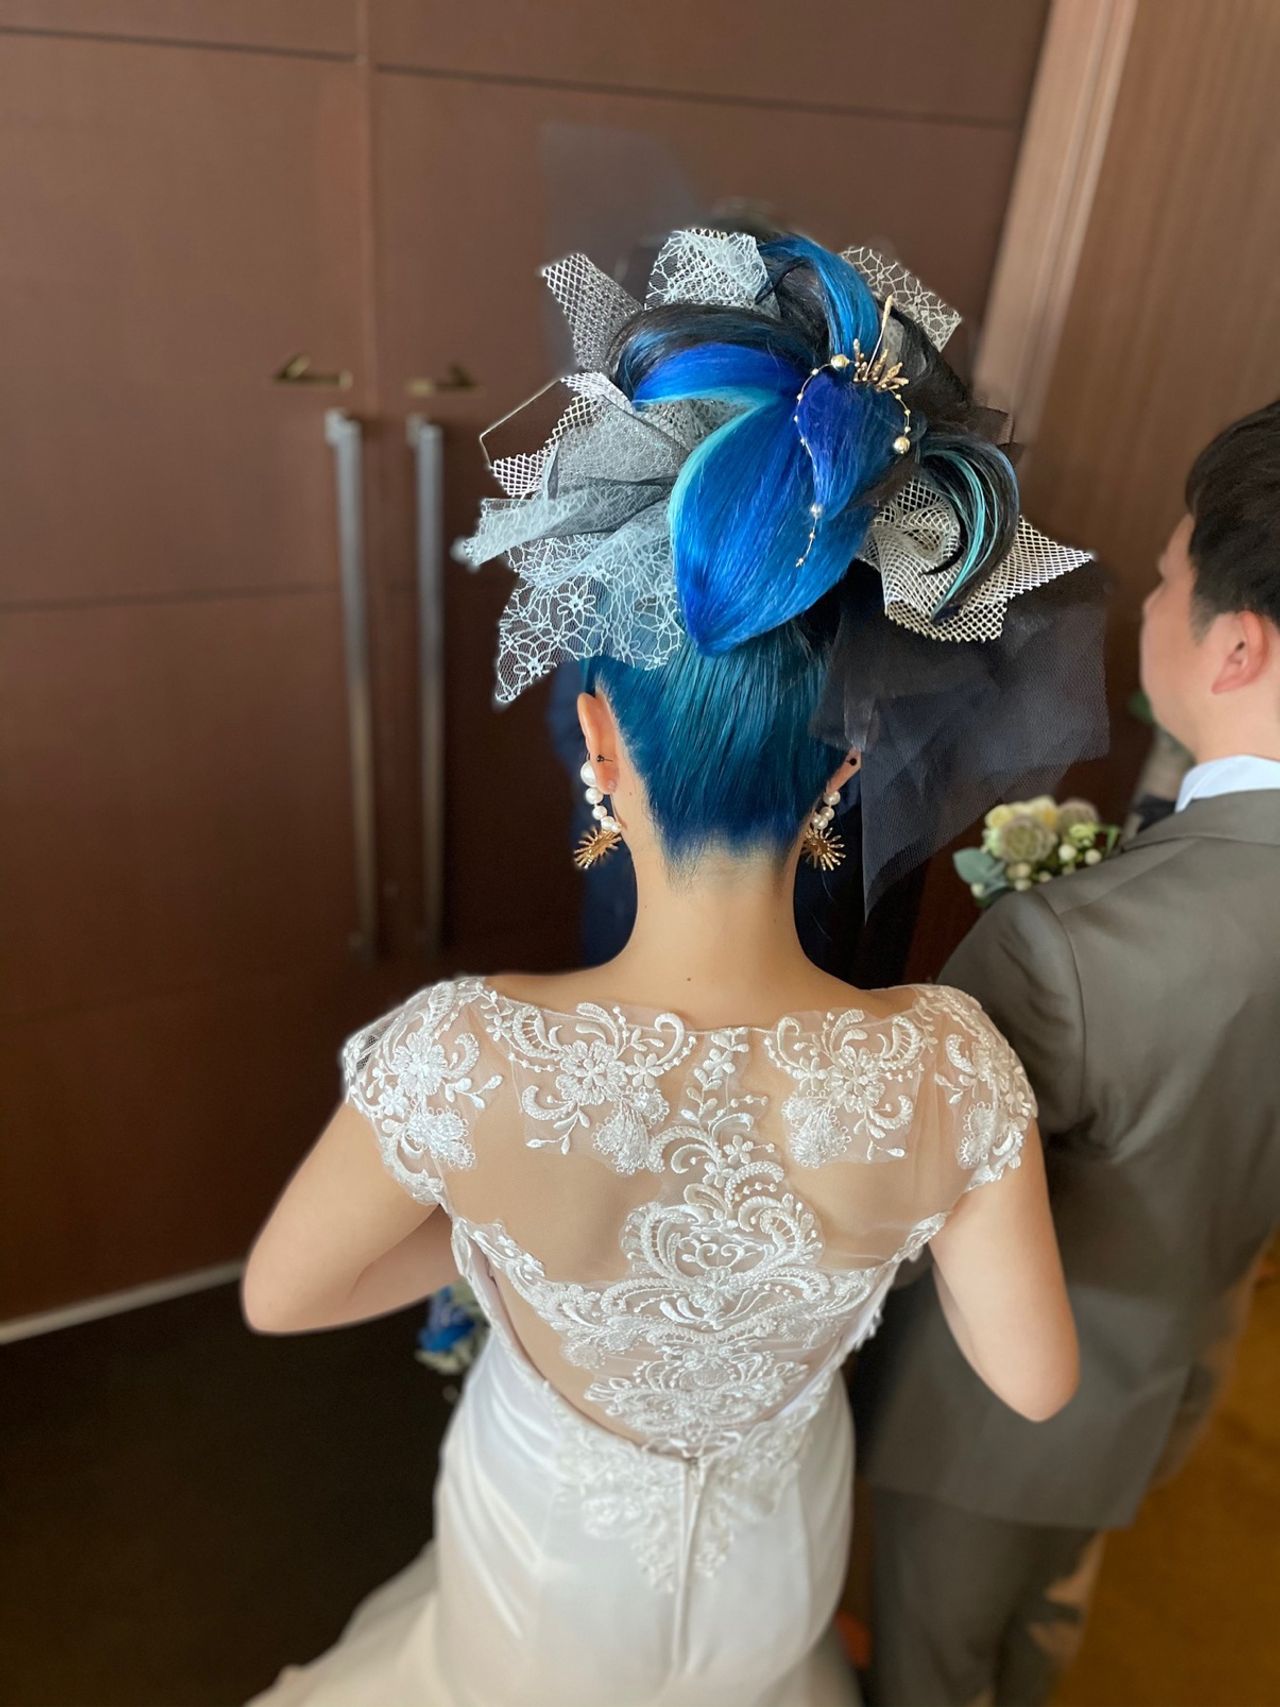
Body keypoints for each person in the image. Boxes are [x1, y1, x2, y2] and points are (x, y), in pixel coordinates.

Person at [239, 231, 1090, 1707]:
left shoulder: (462, 1055)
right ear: (845, 770)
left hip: (545, 1563)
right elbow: (1035, 1380)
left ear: (597, 743)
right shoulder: (948, 1064)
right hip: (775, 1562)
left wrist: (506, 1247)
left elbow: (283, 1298)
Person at [854, 399, 1280, 1707]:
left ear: (1240, 647)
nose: (1146, 605)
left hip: (1001, 1411)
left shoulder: (1067, 946)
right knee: (1044, 1616)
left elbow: (904, 1207)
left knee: (936, 1655)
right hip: (1184, 1365)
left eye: (1164, 579)